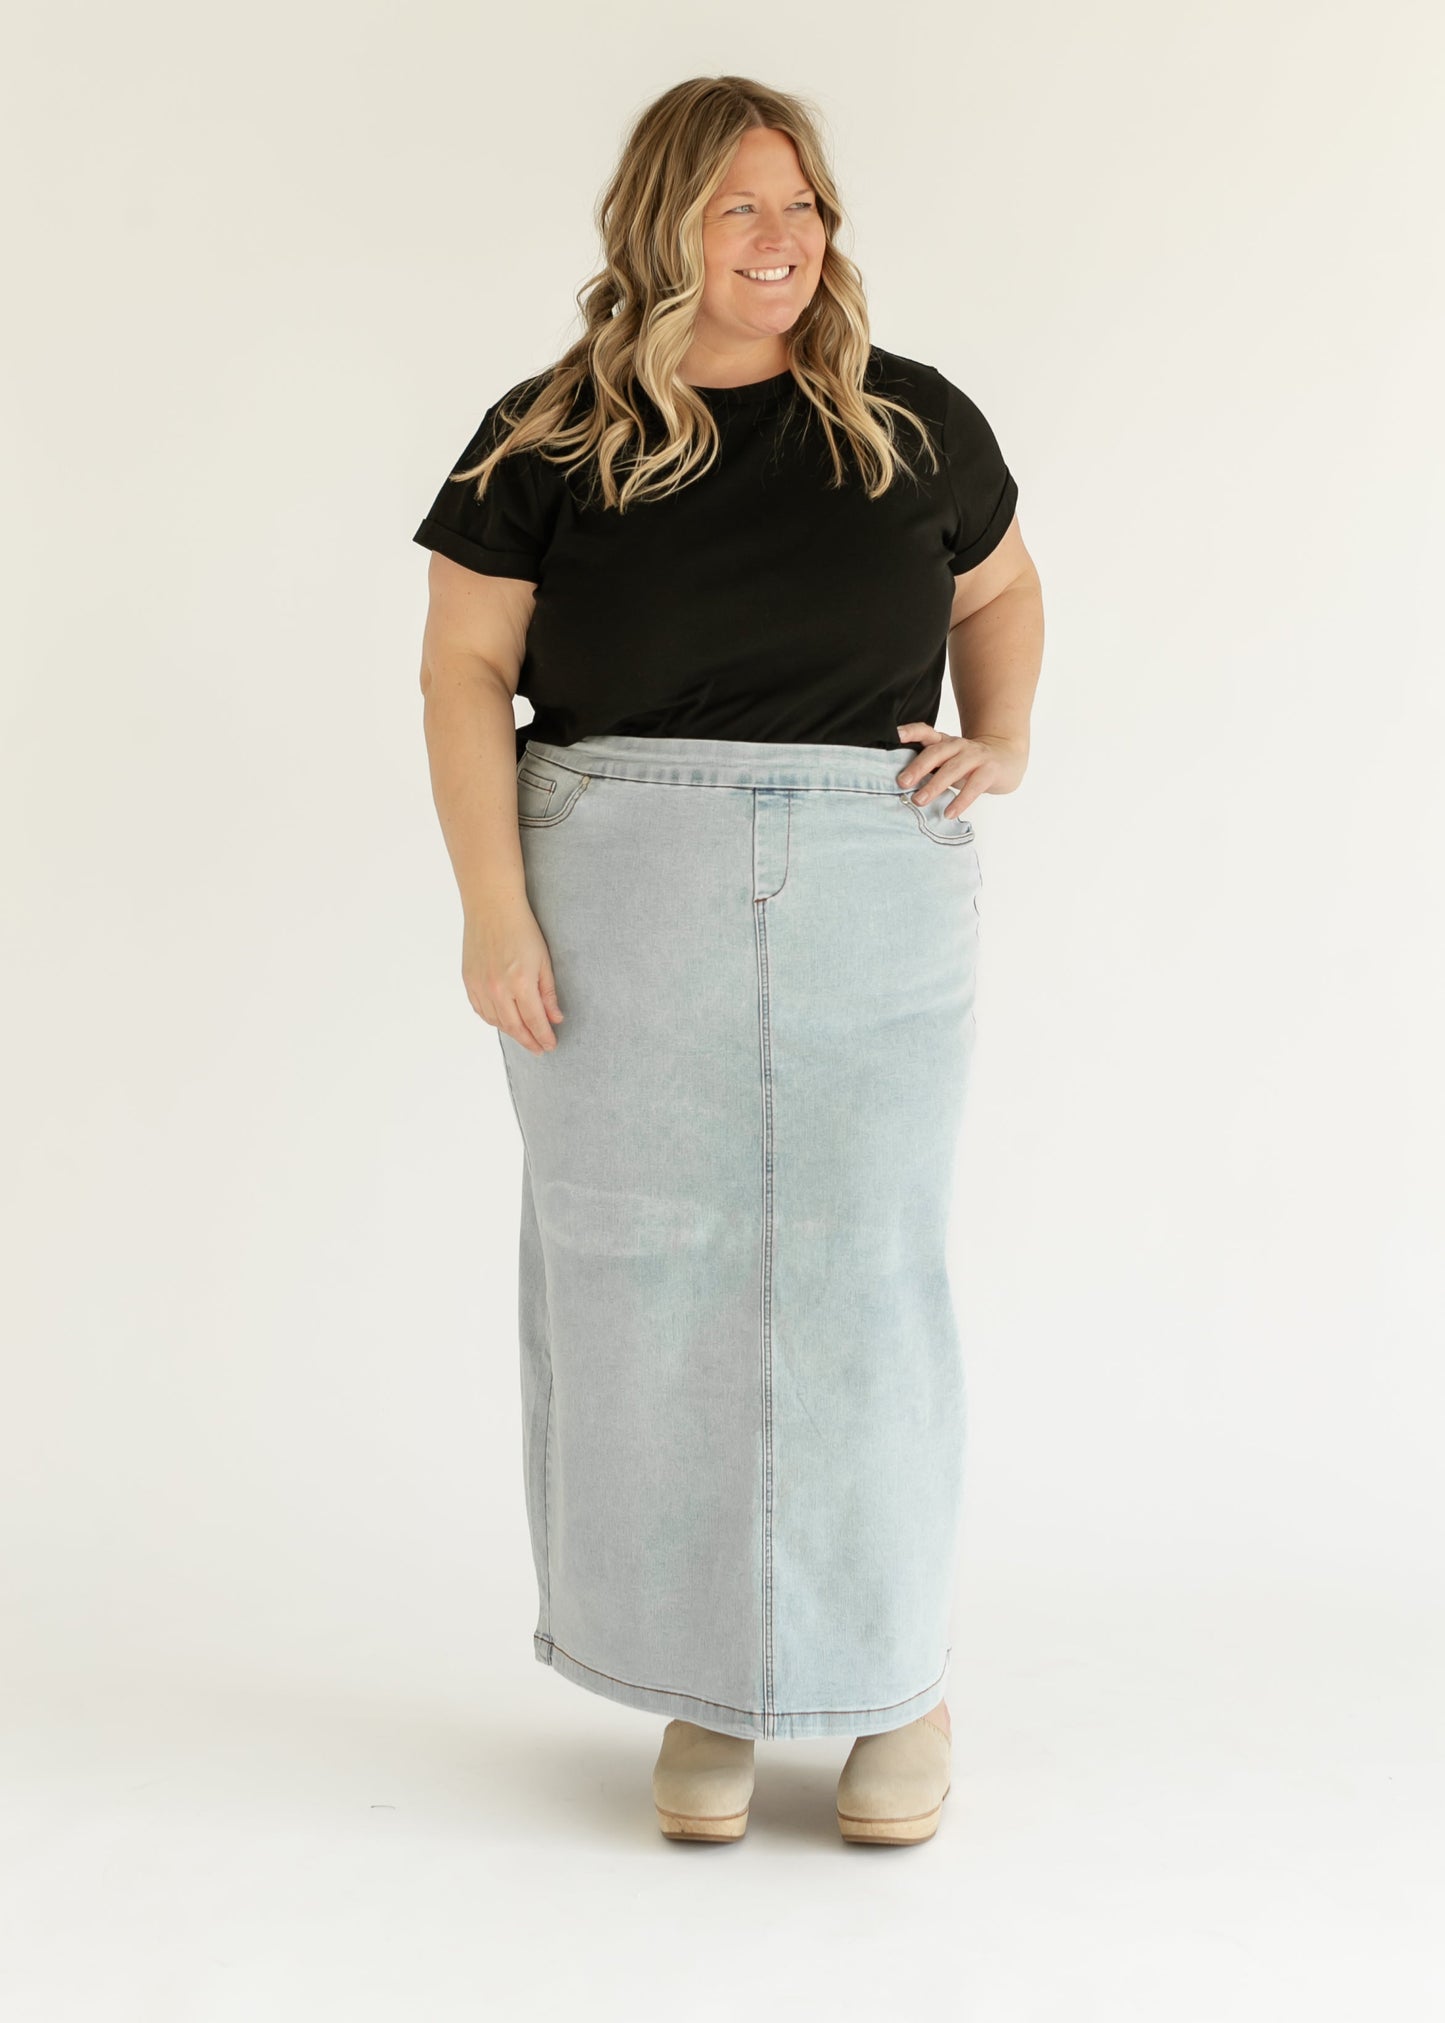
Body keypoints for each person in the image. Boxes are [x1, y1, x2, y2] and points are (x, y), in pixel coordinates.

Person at [413, 74, 1044, 1847]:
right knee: (646, 1283)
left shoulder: (910, 419)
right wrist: (491, 908)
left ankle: (890, 1690)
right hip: (610, 876)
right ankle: (710, 1681)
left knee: (864, 1277)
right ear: (662, 224)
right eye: (737, 206)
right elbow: (463, 671)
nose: (781, 240)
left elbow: (1000, 589)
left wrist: (1001, 739)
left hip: (868, 872)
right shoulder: (550, 431)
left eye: (802, 204)